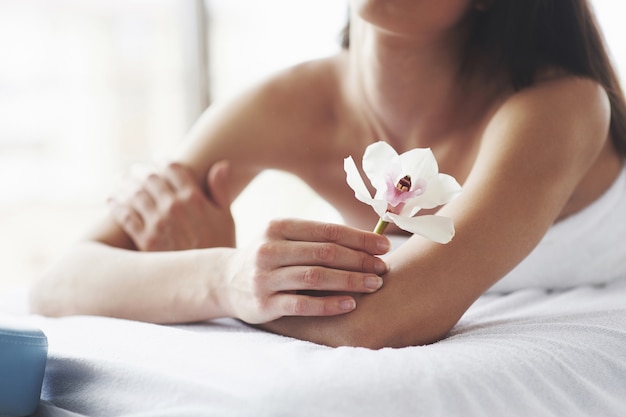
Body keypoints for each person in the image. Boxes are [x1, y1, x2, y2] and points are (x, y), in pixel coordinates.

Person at [29, 0, 626, 349]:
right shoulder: (288, 103)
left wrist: (218, 288)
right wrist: (224, 273)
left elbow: (390, 312)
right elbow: (59, 284)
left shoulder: (562, 105)